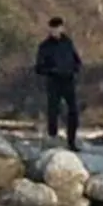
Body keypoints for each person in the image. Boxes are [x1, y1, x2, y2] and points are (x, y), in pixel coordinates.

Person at [34, 17, 82, 149]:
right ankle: (53, 138)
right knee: (53, 111)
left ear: (62, 28)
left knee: (73, 111)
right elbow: (38, 67)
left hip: (68, 80)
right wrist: (52, 71)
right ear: (49, 29)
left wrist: (74, 69)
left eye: (58, 28)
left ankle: (71, 141)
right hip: (53, 81)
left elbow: (77, 60)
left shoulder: (67, 43)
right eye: (53, 28)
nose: (55, 31)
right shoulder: (45, 46)